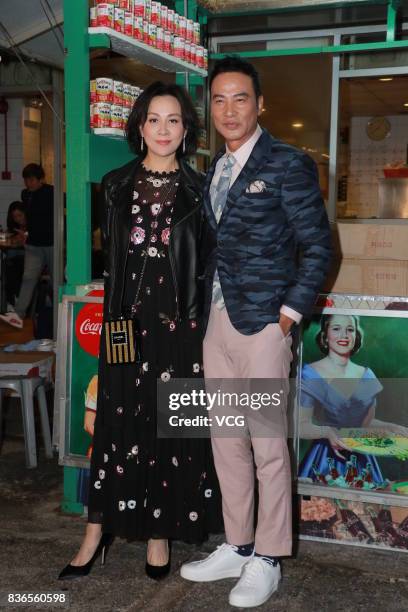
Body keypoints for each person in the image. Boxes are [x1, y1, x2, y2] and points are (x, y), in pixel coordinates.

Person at [180, 56, 332, 608]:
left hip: (264, 324)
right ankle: (238, 543)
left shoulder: (288, 163)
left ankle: (268, 557)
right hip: (215, 323)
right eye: (218, 99)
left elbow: (318, 247)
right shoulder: (211, 169)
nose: (228, 109)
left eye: (239, 97)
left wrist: (288, 315)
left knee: (267, 445)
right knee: (226, 442)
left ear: (260, 103)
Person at [59, 82, 221, 581]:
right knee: (115, 420)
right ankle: (95, 531)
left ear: (187, 128)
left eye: (174, 119)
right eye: (154, 119)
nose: (164, 129)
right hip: (126, 321)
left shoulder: (202, 188)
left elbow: (210, 263)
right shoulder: (115, 184)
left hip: (180, 326)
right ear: (139, 126)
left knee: (170, 424)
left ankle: (159, 532)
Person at [299, 313, 408, 485]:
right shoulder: (310, 374)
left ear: (356, 336)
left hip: (363, 461)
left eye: (350, 329)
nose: (344, 335)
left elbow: (363, 424)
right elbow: (300, 426)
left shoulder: (367, 375)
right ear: (325, 335)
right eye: (336, 328)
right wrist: (327, 432)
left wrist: (391, 427)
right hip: (326, 461)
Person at [0, 164, 54, 329]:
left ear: (40, 179)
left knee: (56, 281)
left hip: (52, 244)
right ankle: (18, 315)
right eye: (26, 180)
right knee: (28, 278)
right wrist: (25, 233)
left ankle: (59, 312)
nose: (28, 183)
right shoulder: (26, 195)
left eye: (31, 179)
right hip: (33, 245)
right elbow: (30, 218)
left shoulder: (51, 192)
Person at [4, 201, 26, 309]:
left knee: (13, 264)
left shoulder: (34, 226)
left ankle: (13, 300)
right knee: (9, 265)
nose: (18, 219)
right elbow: (9, 243)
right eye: (15, 216)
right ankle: (12, 300)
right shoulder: (13, 229)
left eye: (20, 215)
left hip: (29, 260)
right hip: (14, 262)